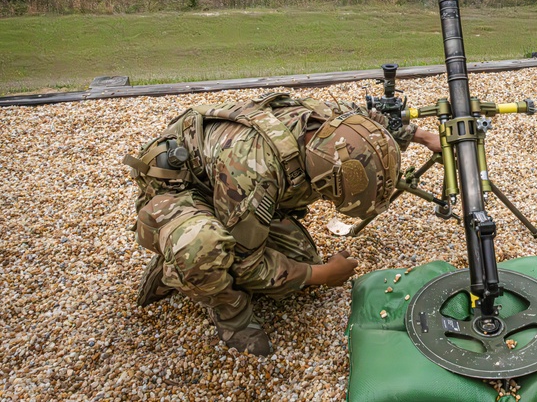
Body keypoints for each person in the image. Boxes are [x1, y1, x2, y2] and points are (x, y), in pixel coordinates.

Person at [124, 91, 441, 356]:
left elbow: (374, 126)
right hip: (179, 192)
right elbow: (248, 267)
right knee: (204, 248)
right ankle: (217, 302)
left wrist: (425, 137)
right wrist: (325, 275)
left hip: (231, 184)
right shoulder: (254, 170)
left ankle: (219, 235)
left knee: (299, 269)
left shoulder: (338, 124)